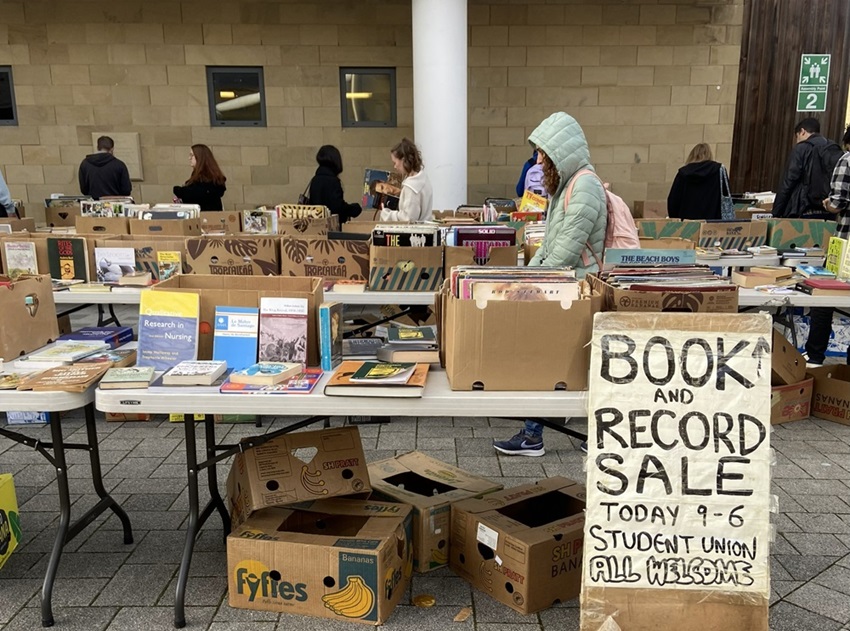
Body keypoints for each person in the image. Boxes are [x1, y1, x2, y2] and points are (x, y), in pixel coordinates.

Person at [493, 111, 607, 457]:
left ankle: (596, 435)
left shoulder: (585, 185)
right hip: (566, 286)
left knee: (570, 363)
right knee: (553, 361)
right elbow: (551, 246)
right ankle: (534, 435)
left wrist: (530, 277)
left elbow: (565, 251)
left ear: (561, 153)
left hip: (575, 289)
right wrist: (530, 271)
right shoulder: (569, 186)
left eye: (543, 153)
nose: (539, 161)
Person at [805, 125, 850, 366]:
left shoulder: (847, 160)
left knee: (825, 295)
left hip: (845, 243)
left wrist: (827, 204)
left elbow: (838, 201)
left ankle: (815, 355)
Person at [773, 118, 838, 218]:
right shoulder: (833, 149)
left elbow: (788, 183)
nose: (797, 141)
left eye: (797, 137)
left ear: (802, 132)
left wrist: (776, 213)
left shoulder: (801, 149)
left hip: (804, 212)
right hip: (829, 211)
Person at [380, 138, 433, 222]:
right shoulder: (423, 179)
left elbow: (408, 218)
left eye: (395, 163)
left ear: (403, 160)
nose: (395, 166)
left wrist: (386, 214)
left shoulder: (412, 187)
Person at [667, 143, 725, 220]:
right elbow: (725, 197)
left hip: (686, 225)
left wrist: (677, 219)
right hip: (712, 224)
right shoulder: (719, 170)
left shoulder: (683, 173)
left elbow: (673, 201)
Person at [307, 145, 362, 224]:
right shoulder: (332, 181)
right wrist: (354, 208)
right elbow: (337, 207)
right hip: (331, 227)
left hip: (316, 226)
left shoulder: (315, 179)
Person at [173, 144, 226, 211]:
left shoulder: (207, 178)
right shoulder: (207, 176)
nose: (189, 158)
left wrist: (178, 191)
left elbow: (195, 194)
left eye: (192, 155)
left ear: (200, 157)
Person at [78, 135, 132, 200]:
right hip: (115, 204)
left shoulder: (85, 164)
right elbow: (126, 190)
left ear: (97, 147)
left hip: (93, 203)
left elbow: (84, 189)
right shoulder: (119, 165)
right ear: (112, 149)